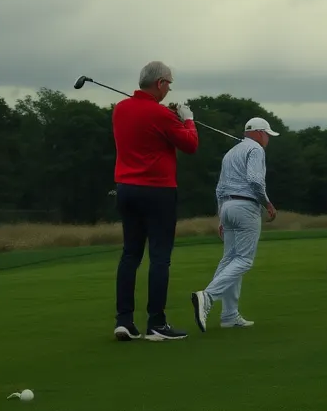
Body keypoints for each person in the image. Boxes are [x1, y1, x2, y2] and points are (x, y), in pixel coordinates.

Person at [111, 61, 199, 342]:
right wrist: (187, 119)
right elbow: (191, 144)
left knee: (130, 255)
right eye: (169, 84)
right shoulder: (162, 115)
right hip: (157, 191)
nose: (170, 89)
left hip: (126, 188)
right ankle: (156, 324)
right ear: (160, 83)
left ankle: (124, 321)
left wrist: (169, 118)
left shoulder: (120, 109)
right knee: (159, 257)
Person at [191, 117, 279, 332]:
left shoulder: (231, 153)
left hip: (228, 207)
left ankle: (229, 315)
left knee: (230, 259)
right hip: (246, 206)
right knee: (244, 260)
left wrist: (221, 216)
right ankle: (208, 296)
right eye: (267, 134)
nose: (268, 138)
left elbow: (219, 188)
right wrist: (267, 203)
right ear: (258, 133)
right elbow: (255, 180)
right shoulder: (256, 150)